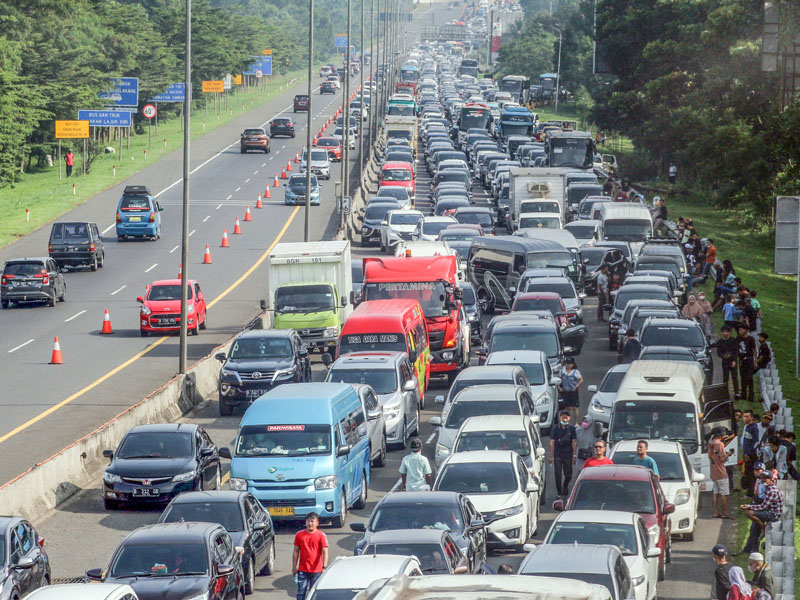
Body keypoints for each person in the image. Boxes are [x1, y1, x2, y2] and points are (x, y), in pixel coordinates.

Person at [740, 471, 783, 554]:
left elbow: (763, 506)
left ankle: (763, 528)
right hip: (769, 510)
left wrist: (749, 506)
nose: (762, 480)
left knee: (749, 512)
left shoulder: (772, 491)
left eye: (765, 478)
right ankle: (752, 549)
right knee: (755, 526)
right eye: (762, 478)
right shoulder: (768, 488)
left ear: (770, 480)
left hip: (773, 514)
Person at [293, 513, 329, 600]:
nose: (310, 523)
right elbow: (296, 551)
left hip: (316, 571)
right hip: (302, 570)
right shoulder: (299, 535)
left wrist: (324, 567)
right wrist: (294, 567)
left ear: (317, 523)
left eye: (312, 521)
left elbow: (325, 551)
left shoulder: (321, 535)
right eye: (308, 521)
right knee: (301, 593)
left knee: (314, 595)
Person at [549, 410, 577, 500]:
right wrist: (551, 456)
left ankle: (565, 486)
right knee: (558, 475)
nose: (564, 419)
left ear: (569, 418)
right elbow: (552, 442)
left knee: (568, 474)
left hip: (568, 455)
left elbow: (574, 442)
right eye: (563, 417)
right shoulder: (555, 428)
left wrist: (574, 455)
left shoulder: (572, 429)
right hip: (558, 455)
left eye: (566, 417)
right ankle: (559, 493)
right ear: (560, 418)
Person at [709, 427, 734, 518]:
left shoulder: (710, 442)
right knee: (724, 494)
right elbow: (722, 459)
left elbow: (711, 456)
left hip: (713, 471)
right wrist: (728, 454)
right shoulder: (719, 444)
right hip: (721, 472)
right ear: (721, 434)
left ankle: (715, 512)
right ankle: (725, 513)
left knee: (715, 493)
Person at [558, 358, 583, 424]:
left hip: (573, 392)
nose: (568, 365)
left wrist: (576, 386)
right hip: (565, 391)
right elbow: (559, 379)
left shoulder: (575, 372)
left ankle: (576, 422)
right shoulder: (562, 371)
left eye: (569, 364)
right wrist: (559, 387)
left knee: (575, 408)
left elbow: (581, 380)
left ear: (572, 364)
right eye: (567, 363)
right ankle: (567, 422)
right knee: (567, 408)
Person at [742, 410, 760, 493]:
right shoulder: (747, 427)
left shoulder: (754, 428)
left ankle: (751, 492)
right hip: (746, 454)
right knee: (746, 472)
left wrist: (749, 453)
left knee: (751, 474)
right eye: (744, 416)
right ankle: (748, 490)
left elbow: (756, 442)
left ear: (751, 417)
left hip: (751, 455)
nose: (745, 418)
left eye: (747, 417)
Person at [737, 325, 757, 402]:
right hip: (742, 359)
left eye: (741, 330)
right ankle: (743, 393)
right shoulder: (738, 338)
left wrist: (755, 361)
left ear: (746, 330)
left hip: (749, 359)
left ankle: (751, 395)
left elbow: (754, 350)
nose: (740, 331)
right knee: (743, 378)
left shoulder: (750, 339)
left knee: (749, 377)